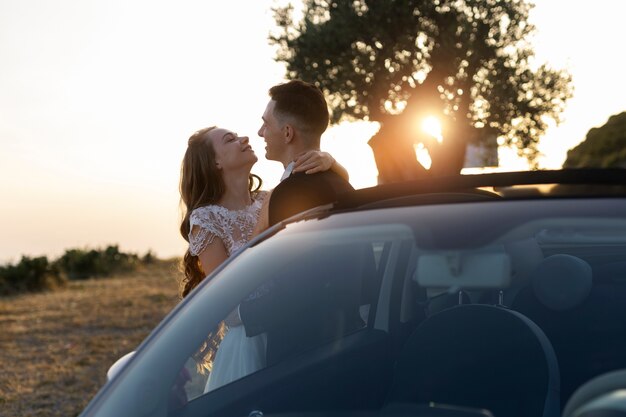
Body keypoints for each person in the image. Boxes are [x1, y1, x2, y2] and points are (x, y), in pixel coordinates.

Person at [178, 124, 349, 392]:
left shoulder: (270, 199)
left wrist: (332, 162)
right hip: (250, 344)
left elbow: (340, 200)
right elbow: (231, 312)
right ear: (216, 162)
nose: (244, 137)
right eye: (230, 139)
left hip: (297, 332)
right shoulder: (206, 219)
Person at [239, 80, 359, 367]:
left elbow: (300, 283)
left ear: (288, 132)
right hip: (348, 339)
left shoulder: (291, 193)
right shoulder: (344, 185)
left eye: (266, 124)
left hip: (302, 352)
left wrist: (245, 315)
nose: (260, 132)